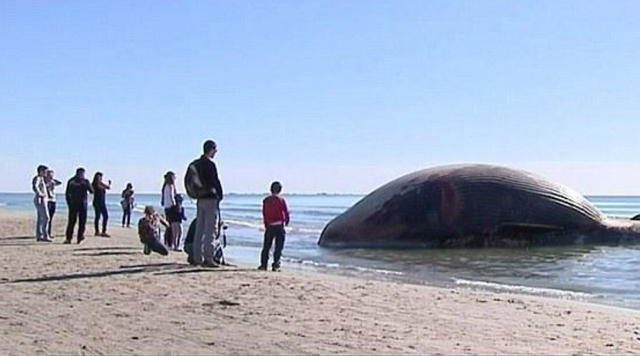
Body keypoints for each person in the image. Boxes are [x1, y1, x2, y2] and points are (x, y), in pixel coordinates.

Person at [190, 140, 224, 267]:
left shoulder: (196, 164)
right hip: (210, 198)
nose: (216, 152)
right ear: (210, 149)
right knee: (210, 229)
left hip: (200, 198)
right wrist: (220, 195)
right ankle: (208, 258)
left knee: (199, 228)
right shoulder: (210, 164)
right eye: (215, 150)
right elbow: (215, 181)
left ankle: (196, 256)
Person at [259, 181, 290, 271]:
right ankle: (276, 264)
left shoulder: (266, 200)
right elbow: (286, 212)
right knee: (278, 247)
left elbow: (264, 213)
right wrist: (287, 221)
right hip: (279, 225)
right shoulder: (281, 200)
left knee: (266, 246)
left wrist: (265, 223)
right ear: (280, 190)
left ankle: (263, 264)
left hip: (270, 225)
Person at [65, 168, 93, 244]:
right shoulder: (71, 181)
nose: (82, 175)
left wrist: (88, 184)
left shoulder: (85, 181)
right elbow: (67, 193)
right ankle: (68, 238)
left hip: (83, 204)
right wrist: (68, 202)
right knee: (71, 221)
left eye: (83, 174)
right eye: (81, 173)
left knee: (82, 222)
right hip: (73, 204)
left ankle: (80, 237)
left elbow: (91, 191)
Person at [161, 171, 180, 248]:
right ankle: (170, 242)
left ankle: (167, 242)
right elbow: (172, 196)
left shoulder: (165, 186)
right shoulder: (171, 186)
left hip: (166, 207)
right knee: (172, 226)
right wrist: (175, 204)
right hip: (171, 207)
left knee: (168, 225)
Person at [32, 165, 51, 242]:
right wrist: (40, 193)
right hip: (40, 199)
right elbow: (35, 186)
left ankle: (39, 235)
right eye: (45, 171)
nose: (46, 173)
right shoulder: (38, 178)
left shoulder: (42, 179)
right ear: (41, 171)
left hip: (43, 199)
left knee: (40, 218)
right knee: (46, 217)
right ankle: (44, 235)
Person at [91, 172, 111, 237]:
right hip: (97, 202)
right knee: (99, 216)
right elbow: (100, 187)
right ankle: (99, 231)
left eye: (101, 177)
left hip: (102, 202)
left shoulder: (100, 183)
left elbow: (107, 187)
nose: (100, 178)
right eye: (99, 177)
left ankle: (102, 231)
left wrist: (108, 184)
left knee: (104, 216)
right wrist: (105, 186)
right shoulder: (95, 184)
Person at [44, 169, 62, 238]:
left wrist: (52, 181)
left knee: (51, 218)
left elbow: (60, 182)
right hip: (47, 200)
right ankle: (45, 232)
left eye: (52, 175)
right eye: (49, 175)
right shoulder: (43, 182)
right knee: (46, 218)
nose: (51, 176)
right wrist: (47, 183)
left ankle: (49, 232)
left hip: (53, 200)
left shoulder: (52, 182)